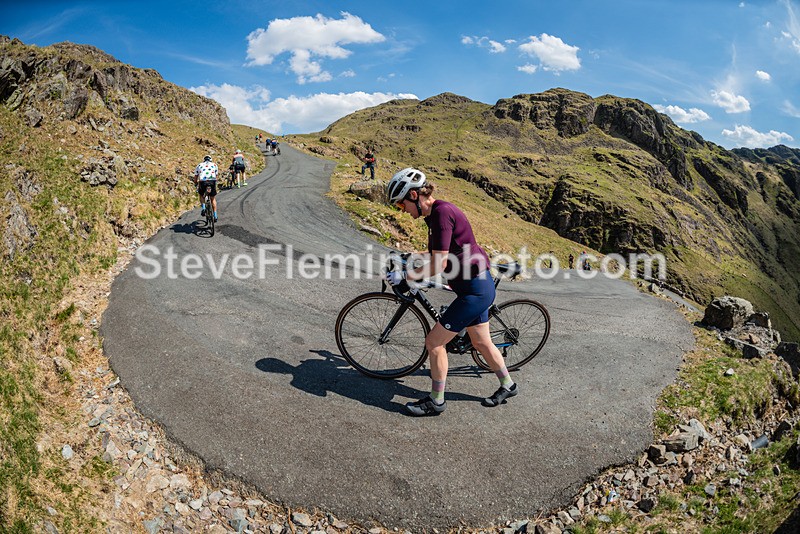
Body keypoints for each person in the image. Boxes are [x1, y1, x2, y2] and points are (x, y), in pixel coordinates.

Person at [384, 167, 519, 416]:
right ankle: (508, 385)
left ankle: (436, 401)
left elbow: (439, 264)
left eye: (401, 205)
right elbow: (437, 254)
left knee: (434, 343)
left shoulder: (442, 213)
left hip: (474, 291)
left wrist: (406, 276)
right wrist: (408, 257)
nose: (401, 211)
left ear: (414, 195)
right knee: (480, 341)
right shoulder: (435, 215)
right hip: (474, 286)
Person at [194, 155, 219, 221]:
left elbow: (196, 176)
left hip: (203, 182)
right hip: (212, 181)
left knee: (201, 195)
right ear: (211, 160)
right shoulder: (214, 165)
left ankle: (204, 208)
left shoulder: (199, 165)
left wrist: (195, 183)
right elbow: (216, 175)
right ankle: (215, 215)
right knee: (212, 198)